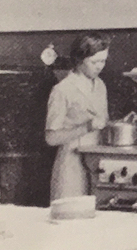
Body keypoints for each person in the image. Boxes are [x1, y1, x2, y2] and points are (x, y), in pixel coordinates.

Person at [45, 33, 110, 201]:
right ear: (80, 59)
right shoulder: (62, 90)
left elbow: (103, 122)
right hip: (71, 166)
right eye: (94, 62)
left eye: (103, 61)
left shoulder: (100, 85)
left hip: (98, 164)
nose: (100, 67)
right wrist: (86, 127)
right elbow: (51, 138)